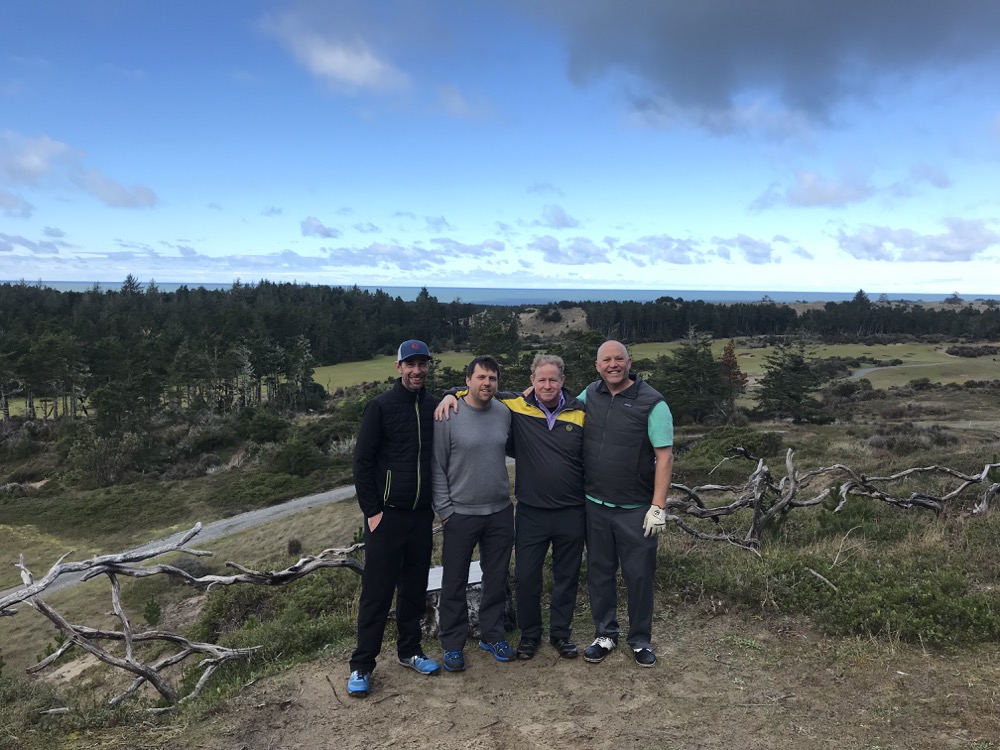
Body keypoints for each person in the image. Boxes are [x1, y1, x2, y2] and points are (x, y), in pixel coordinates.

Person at [435, 353, 586, 660]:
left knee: (512, 578)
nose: (547, 384)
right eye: (541, 379)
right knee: (473, 580)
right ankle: (464, 644)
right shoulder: (475, 410)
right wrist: (450, 394)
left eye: (552, 379)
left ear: (562, 381)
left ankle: (529, 635)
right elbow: (437, 463)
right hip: (489, 512)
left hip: (531, 511)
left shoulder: (565, 411)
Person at [347, 339, 441, 698]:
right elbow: (362, 462)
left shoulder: (435, 406)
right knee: (377, 594)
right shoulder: (380, 407)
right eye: (410, 364)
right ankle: (361, 665)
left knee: (414, 590)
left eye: (423, 364)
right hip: (386, 518)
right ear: (398, 367)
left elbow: (476, 391)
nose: (417, 370)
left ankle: (410, 651)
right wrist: (372, 512)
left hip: (421, 516)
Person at [578, 340, 673, 668]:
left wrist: (658, 506)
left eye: (619, 359)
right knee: (600, 572)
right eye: (607, 360)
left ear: (629, 362)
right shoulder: (589, 395)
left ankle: (640, 639)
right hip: (595, 504)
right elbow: (551, 405)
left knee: (639, 575)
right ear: (597, 365)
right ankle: (605, 634)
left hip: (636, 508)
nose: (613, 364)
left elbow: (664, 457)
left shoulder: (653, 402)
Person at [432, 355, 514, 671]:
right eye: (480, 377)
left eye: (492, 378)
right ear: (467, 381)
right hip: (460, 514)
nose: (487, 383)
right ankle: (452, 644)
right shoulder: (448, 414)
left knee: (496, 578)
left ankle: (492, 635)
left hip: (500, 511)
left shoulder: (504, 413)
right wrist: (445, 510)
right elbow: (437, 466)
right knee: (454, 581)